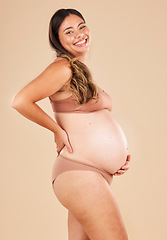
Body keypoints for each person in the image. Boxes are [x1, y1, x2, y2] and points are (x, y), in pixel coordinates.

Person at [12, 8, 131, 240]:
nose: (79, 34)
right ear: (58, 40)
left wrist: (118, 156)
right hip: (80, 173)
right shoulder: (62, 68)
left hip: (93, 174)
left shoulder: (79, 73)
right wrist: (56, 130)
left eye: (82, 26)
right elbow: (20, 101)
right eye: (69, 31)